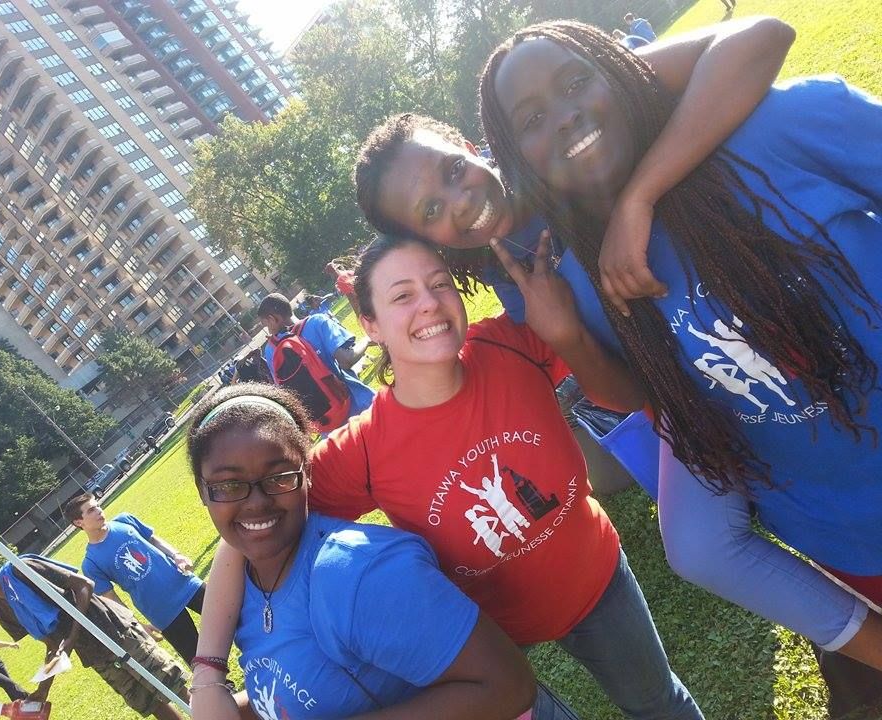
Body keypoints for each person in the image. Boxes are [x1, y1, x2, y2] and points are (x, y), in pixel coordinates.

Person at [352, 16, 882, 685]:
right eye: (430, 212)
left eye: (455, 172)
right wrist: (565, 335)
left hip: (760, 283)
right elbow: (635, 396)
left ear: (469, 143)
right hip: (698, 383)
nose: (460, 201)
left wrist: (638, 196)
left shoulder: (554, 120)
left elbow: (756, 41)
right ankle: (853, 648)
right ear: (424, 239)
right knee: (700, 545)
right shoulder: (515, 278)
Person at [198, 237, 703, 719]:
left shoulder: (510, 346)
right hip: (487, 629)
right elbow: (254, 522)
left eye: (439, 284)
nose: (430, 305)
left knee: (660, 705)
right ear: (370, 324)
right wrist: (209, 671)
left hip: (595, 583)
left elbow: (612, 370)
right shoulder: (366, 450)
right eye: (402, 296)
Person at [185, 383, 573, 720]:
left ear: (307, 474)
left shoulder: (357, 573)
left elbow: (508, 686)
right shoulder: (243, 588)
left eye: (279, 477)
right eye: (229, 486)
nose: (256, 503)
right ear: (203, 494)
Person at [0, 552, 188, 720]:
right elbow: (52, 644)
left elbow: (84, 585)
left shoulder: (21, 569)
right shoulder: (3, 613)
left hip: (115, 632)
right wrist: (41, 692)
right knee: (150, 704)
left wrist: (70, 639)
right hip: (95, 656)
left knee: (175, 686)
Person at [64, 493, 206, 664]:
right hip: (161, 611)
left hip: (186, 584)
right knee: (199, 660)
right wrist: (138, 625)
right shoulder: (91, 563)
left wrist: (177, 555)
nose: (99, 511)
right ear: (79, 522)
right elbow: (112, 600)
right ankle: (223, 688)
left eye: (98, 506)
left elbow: (153, 539)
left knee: (237, 617)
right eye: (92, 510)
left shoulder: (125, 520)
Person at [258, 293, 374, 421]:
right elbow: (346, 360)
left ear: (272, 319)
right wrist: (367, 340)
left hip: (328, 425)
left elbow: (286, 394)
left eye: (266, 325)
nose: (268, 330)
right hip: (360, 406)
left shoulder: (271, 350)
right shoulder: (317, 322)